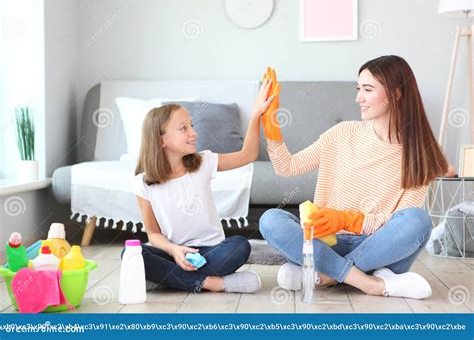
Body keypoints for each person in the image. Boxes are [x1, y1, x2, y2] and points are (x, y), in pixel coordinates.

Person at [259, 58, 449, 299]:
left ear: (396, 94)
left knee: (418, 220)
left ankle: (325, 276)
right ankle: (369, 281)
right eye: (358, 89)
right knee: (271, 219)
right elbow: (288, 167)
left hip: (377, 248)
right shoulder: (342, 133)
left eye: (367, 90)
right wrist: (272, 127)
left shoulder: (421, 155)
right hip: (328, 244)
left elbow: (398, 223)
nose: (358, 98)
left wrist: (346, 219)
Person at [131, 78, 275, 293]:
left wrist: (255, 115)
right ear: (161, 140)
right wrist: (174, 250)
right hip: (175, 253)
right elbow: (153, 234)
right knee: (132, 254)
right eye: (183, 128)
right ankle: (214, 283)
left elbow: (248, 155)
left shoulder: (204, 162)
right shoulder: (144, 183)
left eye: (192, 125)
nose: (193, 132)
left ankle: (169, 278)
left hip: (212, 251)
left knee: (240, 246)